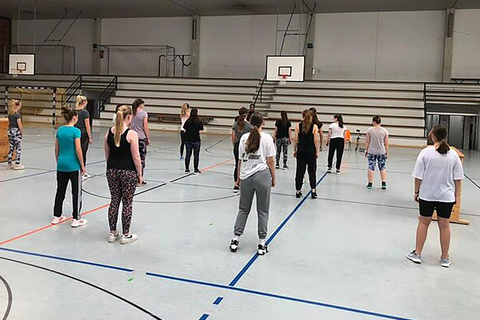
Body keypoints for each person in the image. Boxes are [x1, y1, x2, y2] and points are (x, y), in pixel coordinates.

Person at [407, 125, 463, 268]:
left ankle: (417, 253)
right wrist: (456, 195)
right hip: (446, 197)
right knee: (444, 226)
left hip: (427, 195)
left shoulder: (425, 153)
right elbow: (458, 179)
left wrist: (416, 191)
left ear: (432, 136)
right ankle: (445, 258)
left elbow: (418, 176)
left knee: (423, 222)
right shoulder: (453, 155)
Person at [229, 112, 276, 255]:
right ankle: (262, 243)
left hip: (246, 177)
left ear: (250, 122)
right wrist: (273, 177)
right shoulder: (267, 138)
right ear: (263, 123)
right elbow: (270, 161)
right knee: (263, 210)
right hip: (262, 176)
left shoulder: (243, 138)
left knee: (243, 209)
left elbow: (240, 161)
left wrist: (238, 179)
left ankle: (235, 239)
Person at [104, 105, 143, 244]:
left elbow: (107, 155)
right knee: (127, 202)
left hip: (112, 170)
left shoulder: (109, 133)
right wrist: (140, 174)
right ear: (129, 117)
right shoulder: (131, 134)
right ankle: (126, 234)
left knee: (114, 200)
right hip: (128, 172)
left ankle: (112, 232)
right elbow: (136, 157)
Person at [52, 107, 87, 228]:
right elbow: (78, 149)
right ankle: (76, 218)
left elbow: (56, 148)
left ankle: (56, 216)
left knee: (60, 190)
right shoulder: (76, 131)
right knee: (76, 192)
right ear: (74, 118)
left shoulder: (60, 130)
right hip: (73, 166)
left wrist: (58, 161)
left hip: (61, 165)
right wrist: (82, 165)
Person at [294, 110, 320, 199]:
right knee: (312, 171)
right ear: (311, 117)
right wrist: (317, 151)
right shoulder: (314, 127)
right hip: (310, 150)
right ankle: (313, 190)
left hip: (301, 149)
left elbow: (296, 139)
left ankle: (298, 190)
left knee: (300, 171)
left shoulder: (298, 126)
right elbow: (316, 140)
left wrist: (295, 150)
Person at [365, 115, 389, 190]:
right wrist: (386, 152)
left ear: (374, 122)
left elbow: (367, 142)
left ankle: (370, 183)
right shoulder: (385, 131)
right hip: (381, 151)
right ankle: (383, 183)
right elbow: (386, 143)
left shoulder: (369, 130)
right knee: (382, 167)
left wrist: (366, 150)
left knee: (371, 167)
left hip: (372, 151)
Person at [130, 98, 150, 186]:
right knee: (141, 159)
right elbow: (145, 127)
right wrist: (148, 137)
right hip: (141, 137)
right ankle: (140, 178)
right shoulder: (143, 114)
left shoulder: (132, 113)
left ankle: (132, 178)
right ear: (141, 105)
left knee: (133, 158)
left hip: (132, 137)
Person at [232, 107, 252, 192]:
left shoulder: (235, 124)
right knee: (246, 164)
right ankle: (244, 181)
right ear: (246, 115)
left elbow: (233, 137)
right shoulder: (249, 125)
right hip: (245, 146)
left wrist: (235, 145)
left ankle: (236, 182)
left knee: (237, 164)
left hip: (237, 145)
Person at [74, 95, 93, 178]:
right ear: (84, 102)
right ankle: (83, 171)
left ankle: (75, 170)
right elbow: (87, 125)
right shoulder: (85, 112)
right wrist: (90, 137)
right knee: (83, 153)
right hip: (83, 134)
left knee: (75, 152)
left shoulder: (74, 111)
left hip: (75, 134)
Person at [183, 108, 204, 173]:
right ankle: (196, 169)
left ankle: (187, 168)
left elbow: (184, 129)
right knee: (196, 155)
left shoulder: (188, 121)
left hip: (188, 140)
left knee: (188, 154)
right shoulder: (199, 121)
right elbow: (200, 131)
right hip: (196, 140)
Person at [7, 99, 25, 170]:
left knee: (11, 147)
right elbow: (19, 125)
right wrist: (21, 132)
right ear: (17, 106)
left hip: (10, 131)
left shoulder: (10, 114)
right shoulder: (17, 115)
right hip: (16, 132)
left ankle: (9, 162)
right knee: (18, 148)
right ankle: (17, 163)